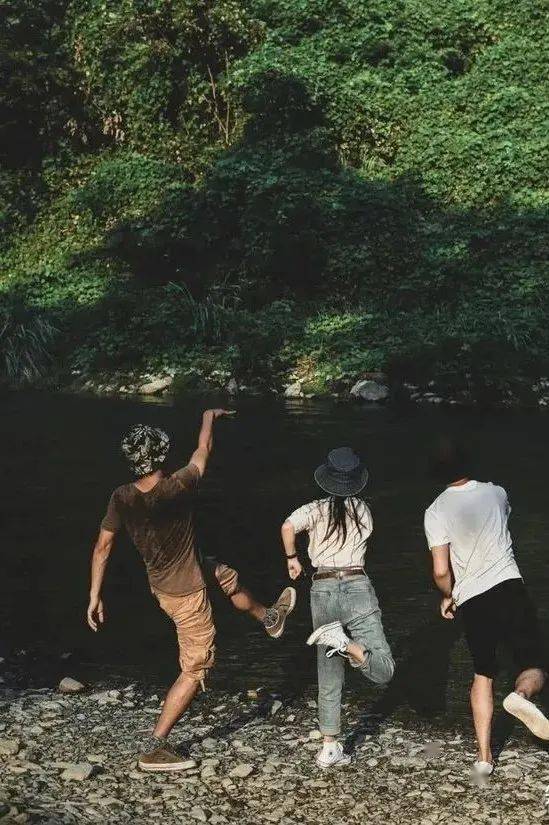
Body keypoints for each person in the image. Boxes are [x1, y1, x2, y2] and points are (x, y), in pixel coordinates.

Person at [87, 410, 296, 772]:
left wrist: (94, 595)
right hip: (186, 593)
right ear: (162, 456)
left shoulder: (121, 497)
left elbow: (103, 547)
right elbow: (204, 449)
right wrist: (208, 417)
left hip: (167, 580)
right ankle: (155, 747)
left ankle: (269, 617)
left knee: (226, 576)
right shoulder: (178, 486)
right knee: (197, 665)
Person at [424, 438, 549, 776]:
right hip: (509, 586)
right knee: (535, 664)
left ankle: (484, 757)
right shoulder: (496, 492)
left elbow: (440, 570)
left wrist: (448, 595)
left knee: (483, 672)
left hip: (472, 598)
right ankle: (521, 695)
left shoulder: (435, 511)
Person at [280, 447, 395, 769]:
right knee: (385, 668)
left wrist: (292, 559)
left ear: (326, 478)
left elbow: (287, 526)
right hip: (357, 585)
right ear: (357, 481)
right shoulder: (364, 511)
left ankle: (329, 746)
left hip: (323, 587)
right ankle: (351, 647)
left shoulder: (314, 509)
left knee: (328, 671)